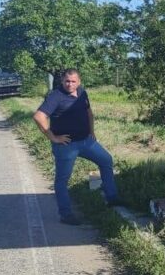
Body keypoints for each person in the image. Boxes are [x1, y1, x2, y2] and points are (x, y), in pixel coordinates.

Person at [33, 69, 121, 225]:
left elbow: (89, 113)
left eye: (73, 81)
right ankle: (66, 214)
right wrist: (53, 137)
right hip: (66, 145)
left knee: (106, 160)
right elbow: (39, 116)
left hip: (86, 142)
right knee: (62, 180)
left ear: (79, 82)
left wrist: (92, 131)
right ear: (62, 81)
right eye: (67, 81)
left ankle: (112, 198)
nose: (70, 84)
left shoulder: (81, 93)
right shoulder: (55, 96)